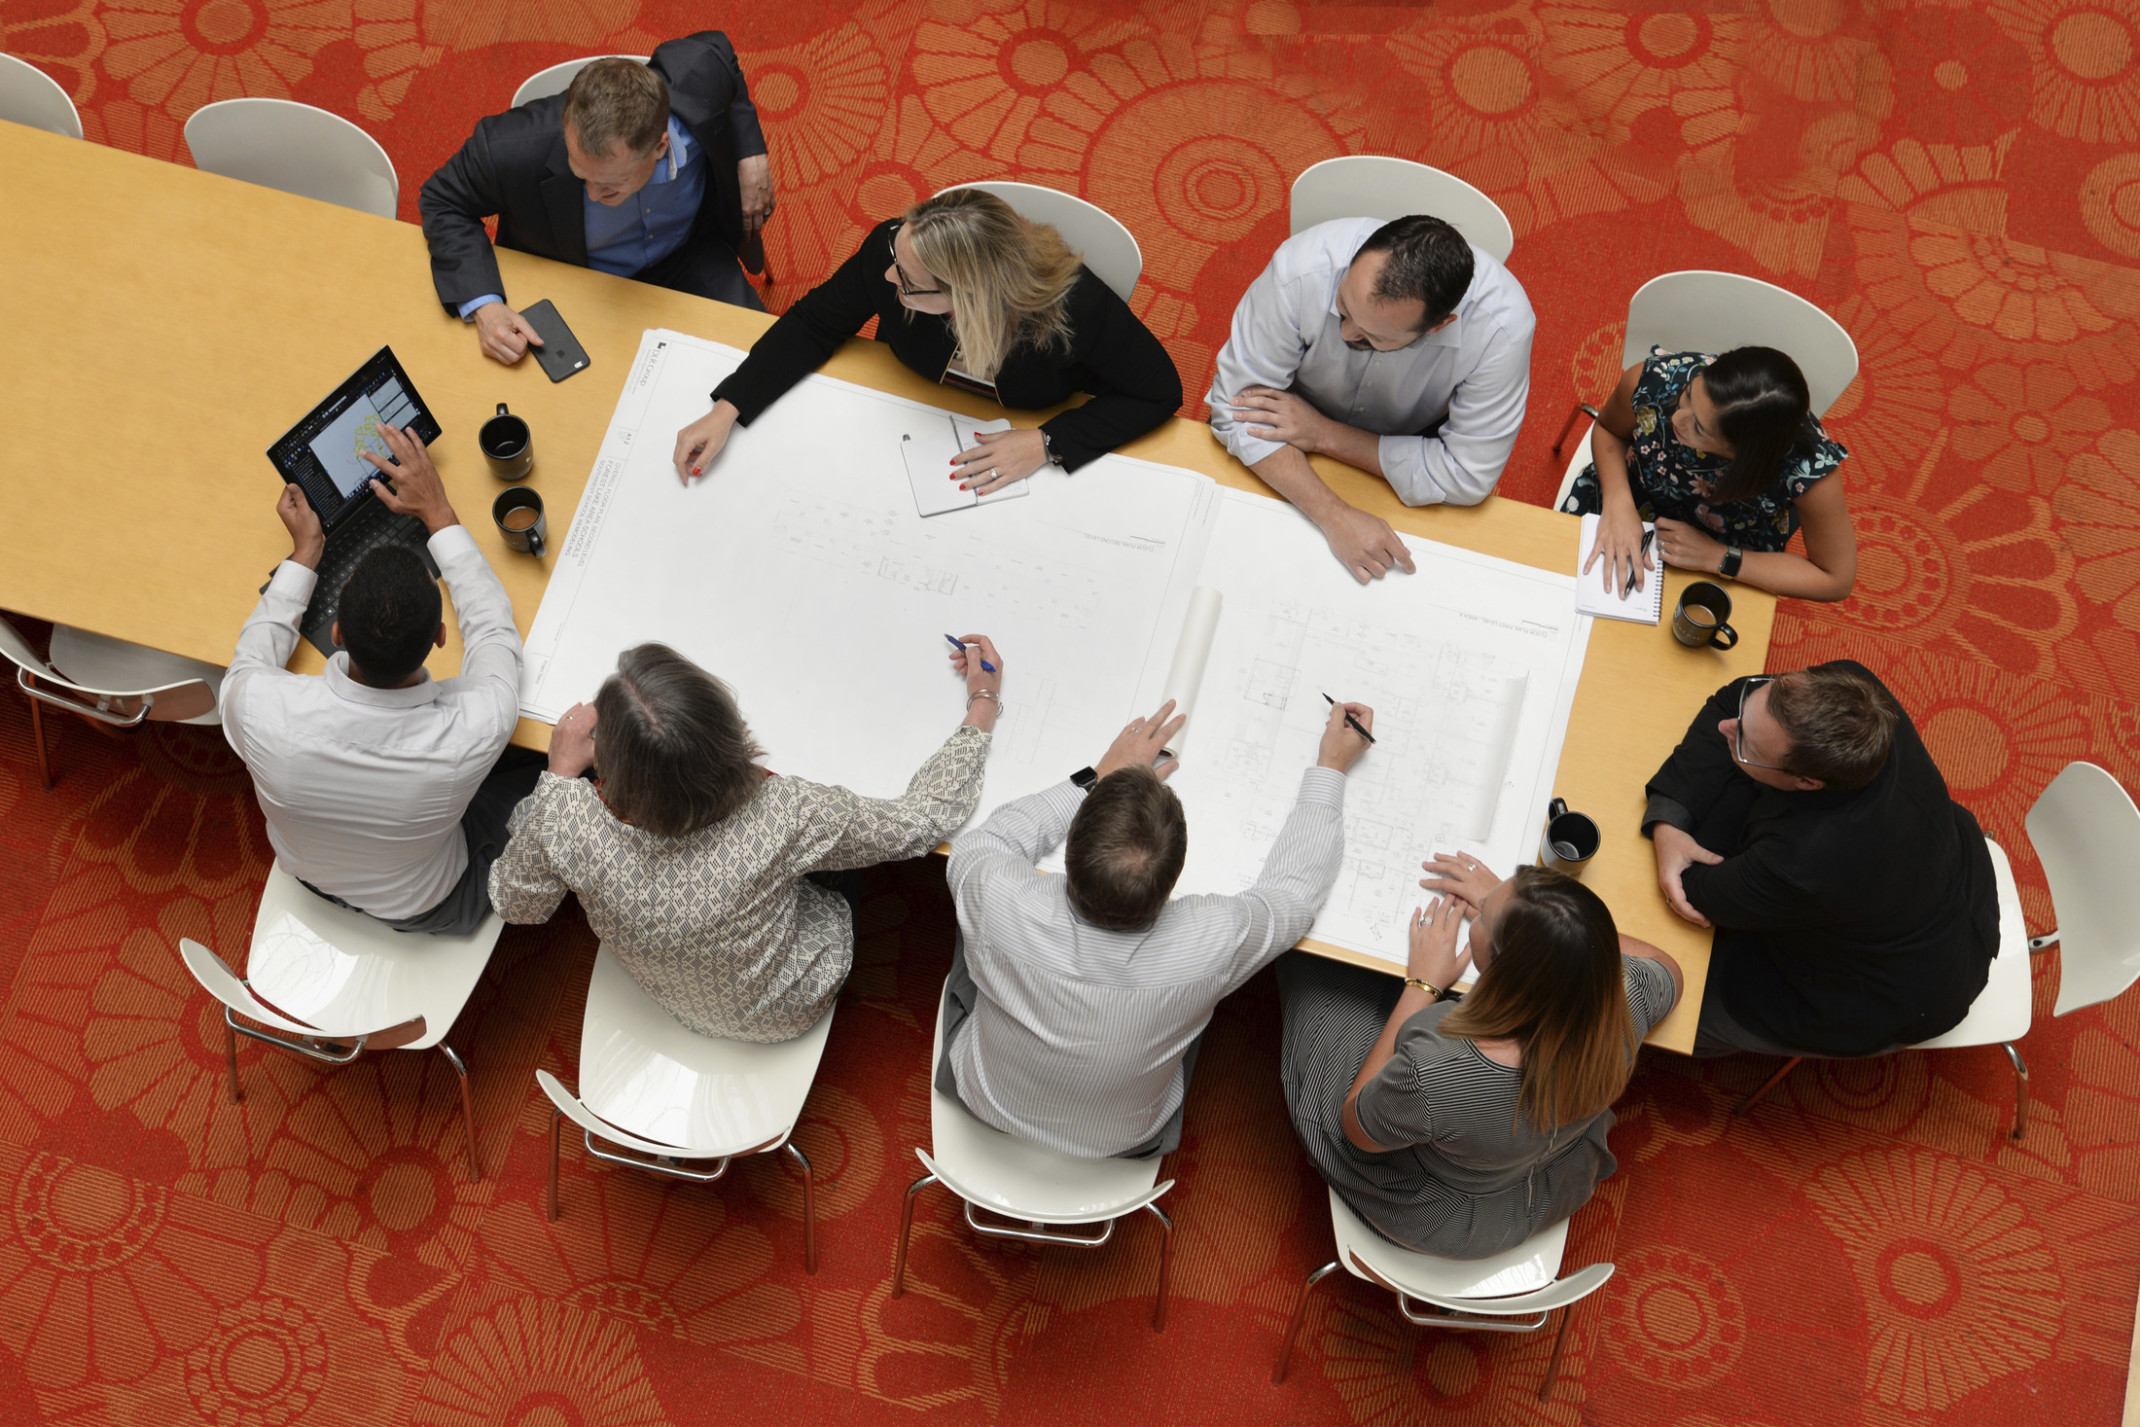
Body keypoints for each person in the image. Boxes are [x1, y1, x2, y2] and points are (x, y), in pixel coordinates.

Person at [487, 637, 1003, 1042]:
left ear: (608, 763)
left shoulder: (568, 815)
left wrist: (556, 778)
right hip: (786, 1004)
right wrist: (983, 702)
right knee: (847, 858)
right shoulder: (785, 813)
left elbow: (516, 904)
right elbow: (923, 821)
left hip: (664, 990)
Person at [939, 696, 1372, 1158]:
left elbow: (989, 840)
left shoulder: (999, 897)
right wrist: (1331, 768)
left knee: (972, 926)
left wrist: (1096, 777)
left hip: (985, 1097)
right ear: (1172, 881)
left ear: (1069, 856)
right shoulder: (1213, 940)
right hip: (1126, 1139)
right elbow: (1294, 895)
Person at [1277, 860, 1681, 1259]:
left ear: (1504, 969)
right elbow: (1670, 970)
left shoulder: (1436, 1070)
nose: (1481, 907)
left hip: (1448, 1210)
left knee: (1315, 974)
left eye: (1485, 915)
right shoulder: (1625, 996)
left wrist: (1424, 985)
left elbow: (1358, 1128)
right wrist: (1548, 927)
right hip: (1542, 1174)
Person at [221, 425, 532, 936]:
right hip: (426, 902)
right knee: (550, 771)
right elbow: (493, 631)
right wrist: (439, 514)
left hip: (309, 874)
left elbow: (253, 654)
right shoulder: (476, 728)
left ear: (338, 633)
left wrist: (304, 554)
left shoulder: (259, 708)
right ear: (439, 637)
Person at [671, 187, 1183, 488]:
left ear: (972, 297)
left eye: (909, 283)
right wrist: (728, 408)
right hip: (910, 423)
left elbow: (1159, 390)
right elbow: (814, 323)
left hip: (1014, 441)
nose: (888, 280)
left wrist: (1049, 442)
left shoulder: (1073, 308)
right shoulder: (890, 252)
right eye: (897, 255)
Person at [1645, 661, 1998, 1059]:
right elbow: (1733, 697)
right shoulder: (1857, 693)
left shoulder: (1803, 861)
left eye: (1746, 742)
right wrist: (1670, 816)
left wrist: (1676, 826)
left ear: (1808, 782)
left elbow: (1695, 888)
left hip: (1892, 989)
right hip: (1934, 875)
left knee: (1671, 1013)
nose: (1727, 727)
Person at [1207, 215, 1535, 584]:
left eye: (1372, 337)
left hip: (1401, 439)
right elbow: (1236, 411)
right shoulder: (1302, 269)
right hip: (1286, 419)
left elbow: (1467, 475)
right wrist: (1334, 514)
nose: (1345, 332)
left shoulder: (1501, 330)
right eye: (1343, 306)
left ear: (1439, 326)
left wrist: (1323, 435)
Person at [421, 38, 776, 363]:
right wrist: (485, 306)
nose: (592, 194)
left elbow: (720, 53)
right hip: (578, 281)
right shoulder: (510, 147)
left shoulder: (697, 75)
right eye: (580, 174)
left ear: (660, 146)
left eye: (610, 185)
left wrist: (751, 151)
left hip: (692, 256)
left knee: (765, 366)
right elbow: (443, 199)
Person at [1567, 347, 1855, 602]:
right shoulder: (1660, 379)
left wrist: (1717, 557)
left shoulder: (1808, 467)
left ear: (1742, 454)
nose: (1677, 418)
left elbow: (1835, 579)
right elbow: (1608, 430)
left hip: (1727, 544)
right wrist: (1618, 503)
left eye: (1700, 429)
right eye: (1689, 395)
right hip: (1628, 491)